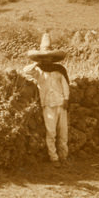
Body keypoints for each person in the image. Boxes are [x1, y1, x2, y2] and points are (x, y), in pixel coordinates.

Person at [23, 33, 70, 165]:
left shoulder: (59, 70)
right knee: (51, 132)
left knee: (63, 132)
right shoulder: (38, 71)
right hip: (48, 104)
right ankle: (54, 157)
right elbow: (25, 70)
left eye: (49, 57)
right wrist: (36, 63)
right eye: (43, 57)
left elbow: (65, 86)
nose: (46, 59)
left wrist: (66, 99)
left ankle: (63, 156)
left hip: (61, 103)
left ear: (53, 57)